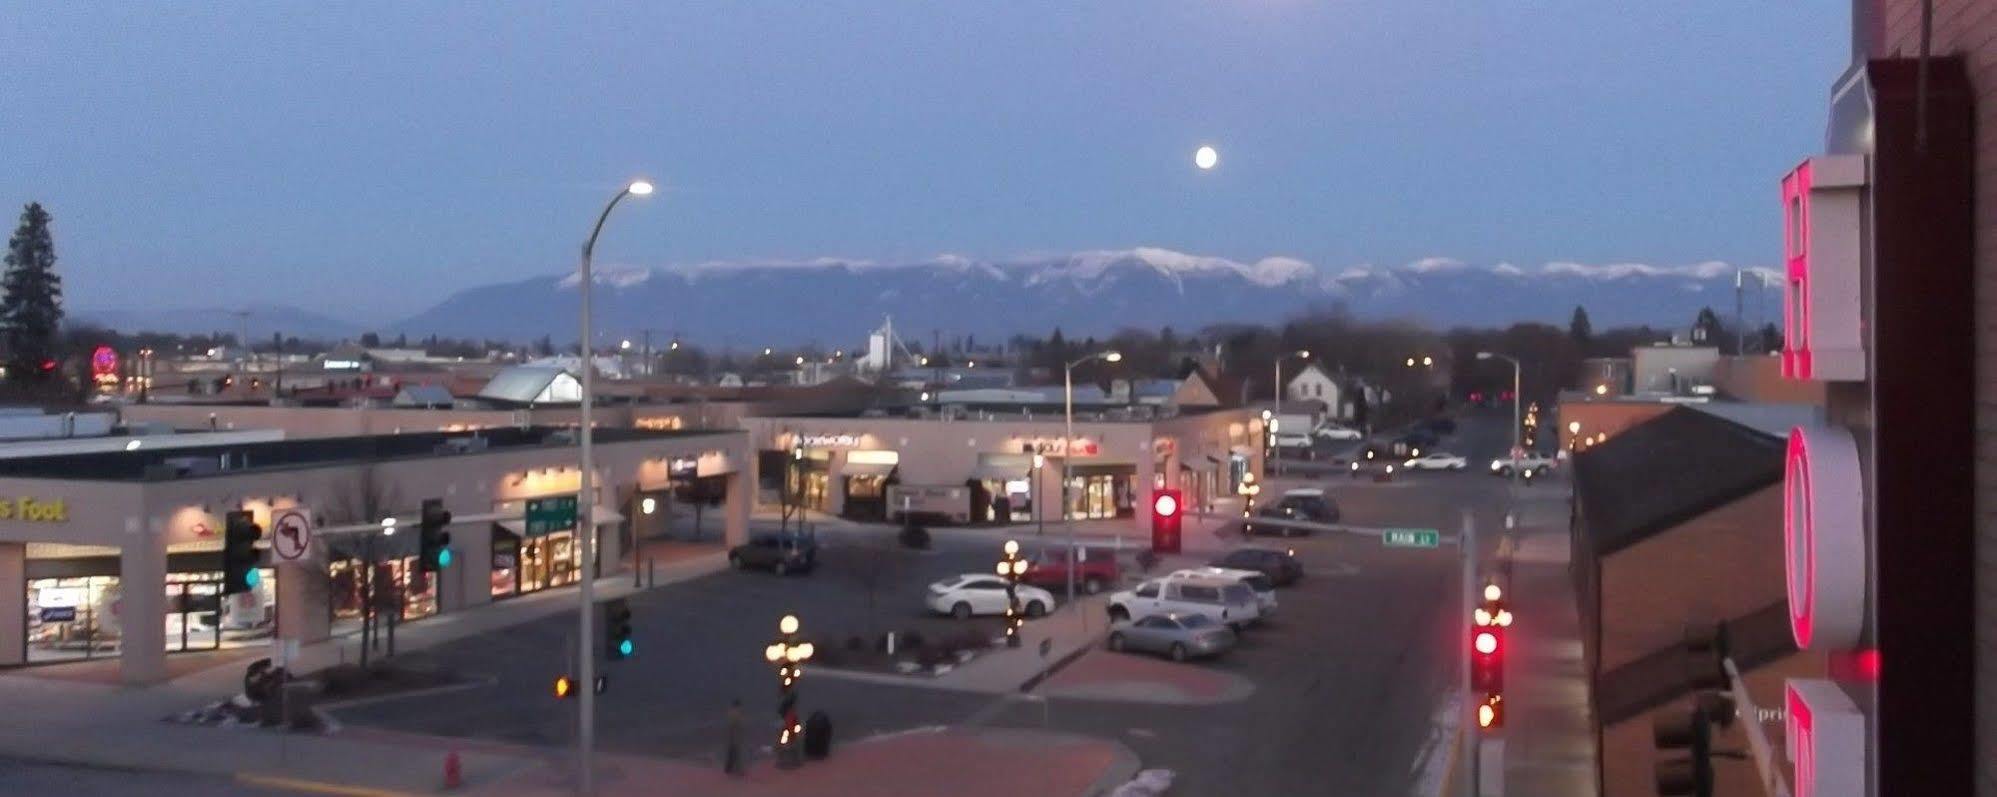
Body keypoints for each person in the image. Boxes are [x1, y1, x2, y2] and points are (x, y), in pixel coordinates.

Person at [723, 698, 744, 775]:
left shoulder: (731, 713)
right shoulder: (736, 714)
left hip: (733, 736)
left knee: (731, 753)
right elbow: (735, 725)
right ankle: (738, 769)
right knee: (736, 753)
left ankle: (728, 768)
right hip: (735, 736)